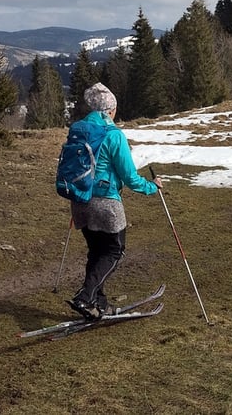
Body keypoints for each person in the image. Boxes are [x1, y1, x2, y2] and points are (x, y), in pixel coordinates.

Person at [66, 82, 162, 320]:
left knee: (96, 252)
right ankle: (85, 297)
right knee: (113, 252)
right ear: (110, 110)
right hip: (106, 203)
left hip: (80, 199)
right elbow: (129, 176)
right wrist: (152, 187)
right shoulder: (113, 135)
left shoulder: (77, 129)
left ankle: (98, 303)